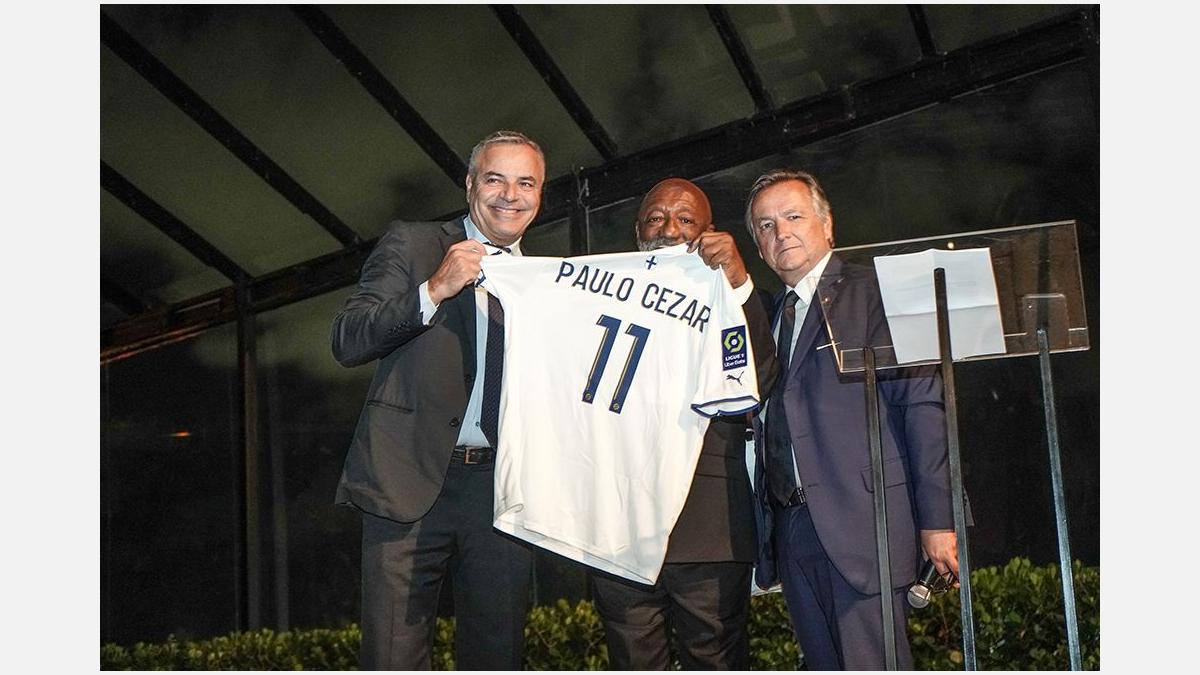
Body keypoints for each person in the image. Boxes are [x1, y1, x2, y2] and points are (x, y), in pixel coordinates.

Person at [330, 130, 545, 670]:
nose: (510, 195)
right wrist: (433, 289)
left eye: (526, 183)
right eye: (495, 179)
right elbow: (348, 339)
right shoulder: (414, 243)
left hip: (503, 493)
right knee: (393, 658)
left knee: (498, 656)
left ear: (541, 195)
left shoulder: (548, 283)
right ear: (470, 185)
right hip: (405, 480)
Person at [745, 169, 959, 670]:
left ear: (827, 224)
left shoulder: (875, 292)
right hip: (793, 528)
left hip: (865, 524)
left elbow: (921, 405)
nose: (782, 232)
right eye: (766, 225)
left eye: (793, 216)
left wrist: (939, 519)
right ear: (758, 247)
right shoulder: (768, 318)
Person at [588, 178, 779, 669]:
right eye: (656, 218)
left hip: (709, 527)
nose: (669, 229)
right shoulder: (596, 300)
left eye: (685, 219)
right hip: (617, 526)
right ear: (638, 232)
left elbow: (759, 378)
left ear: (709, 231)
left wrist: (737, 281)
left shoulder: (735, 296)